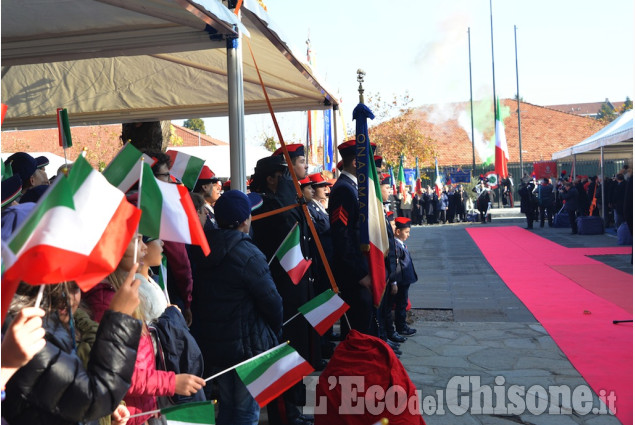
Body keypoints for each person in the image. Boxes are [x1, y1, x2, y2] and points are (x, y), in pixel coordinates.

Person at [3, 266, 143, 425]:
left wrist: (102, 417)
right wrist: (120, 318)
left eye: (75, 287)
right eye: (58, 287)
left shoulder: (66, 322)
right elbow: (93, 400)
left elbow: (68, 398)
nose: (67, 298)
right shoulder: (27, 332)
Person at [191, 190, 282, 425]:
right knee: (244, 412)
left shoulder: (202, 248)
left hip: (215, 344)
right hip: (247, 347)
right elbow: (271, 300)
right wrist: (273, 332)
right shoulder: (248, 252)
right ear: (245, 221)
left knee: (228, 408)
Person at [249, 149, 318, 425]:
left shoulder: (287, 202)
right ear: (272, 180)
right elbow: (285, 224)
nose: (292, 181)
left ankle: (294, 407)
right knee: (283, 354)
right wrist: (290, 191)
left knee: (297, 351)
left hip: (297, 291)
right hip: (280, 293)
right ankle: (285, 415)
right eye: (285, 176)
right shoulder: (267, 207)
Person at [328, 140, 373, 336]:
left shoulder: (354, 188)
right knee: (358, 326)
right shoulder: (344, 189)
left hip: (361, 268)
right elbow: (342, 235)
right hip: (354, 274)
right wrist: (360, 272)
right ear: (356, 162)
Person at [393, 217, 417, 336]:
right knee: (401, 304)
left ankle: (401, 325)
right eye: (406, 232)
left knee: (402, 303)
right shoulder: (396, 246)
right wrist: (395, 283)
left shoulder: (400, 244)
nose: (408, 235)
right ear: (398, 232)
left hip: (404, 280)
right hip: (400, 280)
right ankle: (401, 327)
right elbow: (396, 266)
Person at [192, 165, 221, 230]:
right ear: (205, 187)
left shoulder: (193, 207)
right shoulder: (197, 210)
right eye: (212, 183)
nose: (218, 187)